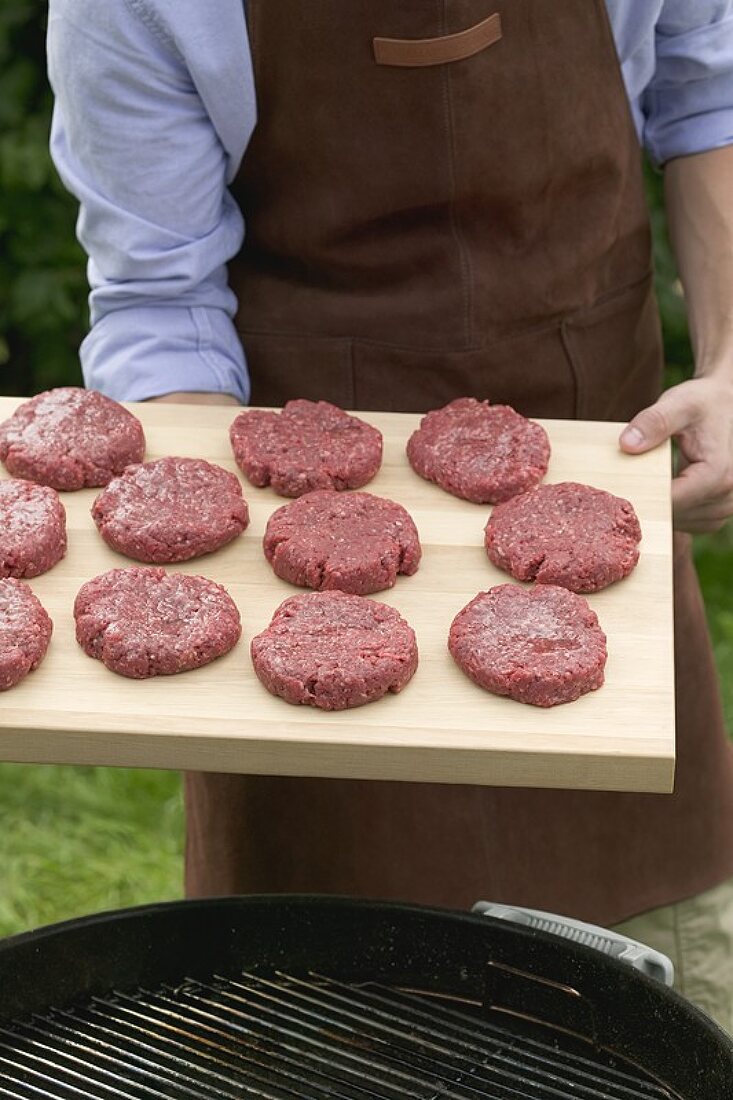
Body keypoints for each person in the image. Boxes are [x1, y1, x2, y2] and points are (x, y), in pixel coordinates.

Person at [47, 0, 733, 1031]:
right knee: (324, 1016)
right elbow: (158, 296)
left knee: (660, 1006)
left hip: (594, 472)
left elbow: (712, 97)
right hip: (297, 518)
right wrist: (208, 553)